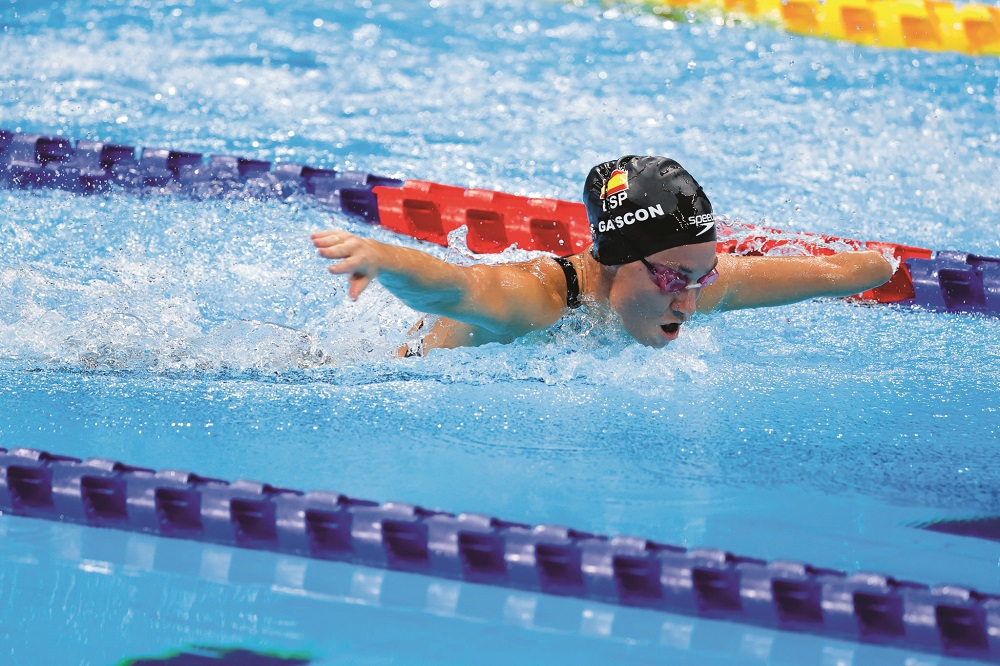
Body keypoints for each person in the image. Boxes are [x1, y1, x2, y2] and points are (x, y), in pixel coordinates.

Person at [311, 155, 894, 356]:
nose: (691, 299)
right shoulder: (538, 300)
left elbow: (835, 272)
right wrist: (382, 257)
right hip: (378, 373)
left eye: (704, 274)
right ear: (616, 261)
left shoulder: (681, 285)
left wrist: (886, 267)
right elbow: (452, 288)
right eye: (673, 277)